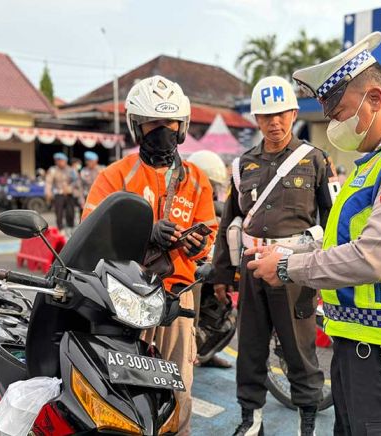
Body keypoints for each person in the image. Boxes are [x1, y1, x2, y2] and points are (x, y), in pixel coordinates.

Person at [246, 32, 381, 435]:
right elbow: (342, 240)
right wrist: (294, 247)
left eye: (339, 113)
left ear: (374, 98)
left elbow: (375, 254)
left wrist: (289, 266)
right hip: (358, 344)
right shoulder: (374, 162)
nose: (334, 126)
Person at [83, 75, 217, 435]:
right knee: (121, 386)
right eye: (152, 124)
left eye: (169, 124)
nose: (161, 131)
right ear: (137, 127)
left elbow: (209, 232)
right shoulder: (115, 176)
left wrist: (197, 244)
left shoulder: (197, 180)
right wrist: (144, 233)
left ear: (182, 127)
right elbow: (91, 232)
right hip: (123, 298)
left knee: (178, 386)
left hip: (176, 300)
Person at [212, 75, 335, 436]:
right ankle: (252, 419)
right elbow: (229, 221)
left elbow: (332, 218)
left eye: (281, 114)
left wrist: (328, 271)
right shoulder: (241, 166)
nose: (275, 122)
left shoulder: (314, 160)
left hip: (294, 270)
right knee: (250, 346)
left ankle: (306, 420)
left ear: (294, 112)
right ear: (255, 119)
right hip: (251, 269)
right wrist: (221, 274)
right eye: (266, 116)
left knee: (299, 349)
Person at [187, 150, 234, 370]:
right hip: (190, 273)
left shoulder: (217, 207)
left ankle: (206, 353)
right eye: (209, 184)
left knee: (224, 309)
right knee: (190, 317)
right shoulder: (186, 203)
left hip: (211, 267)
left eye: (215, 186)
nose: (212, 191)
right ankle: (189, 354)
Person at [45, 152, 79, 230]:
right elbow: (48, 182)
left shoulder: (71, 170)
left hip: (69, 194)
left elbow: (76, 182)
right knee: (59, 213)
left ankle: (71, 228)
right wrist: (48, 191)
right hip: (58, 194)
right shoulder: (53, 170)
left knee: (70, 213)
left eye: (61, 160)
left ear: (65, 161)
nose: (59, 162)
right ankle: (60, 229)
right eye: (57, 161)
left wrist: (70, 187)